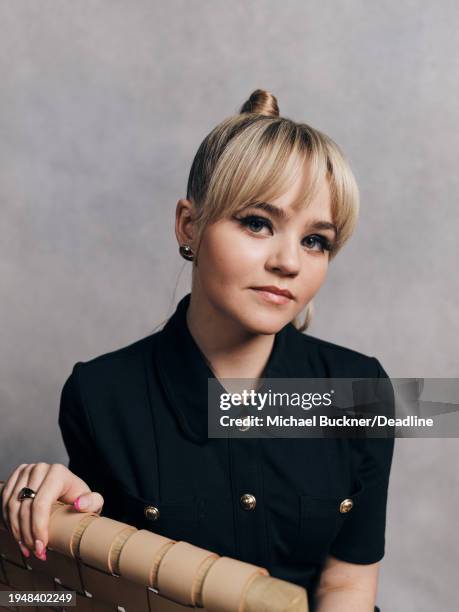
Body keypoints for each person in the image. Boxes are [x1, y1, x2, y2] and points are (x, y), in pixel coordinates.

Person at [1, 89, 394, 611]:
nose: (289, 262)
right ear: (190, 225)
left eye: (315, 240)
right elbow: (72, 593)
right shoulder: (99, 394)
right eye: (258, 223)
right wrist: (57, 508)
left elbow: (347, 586)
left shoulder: (362, 391)